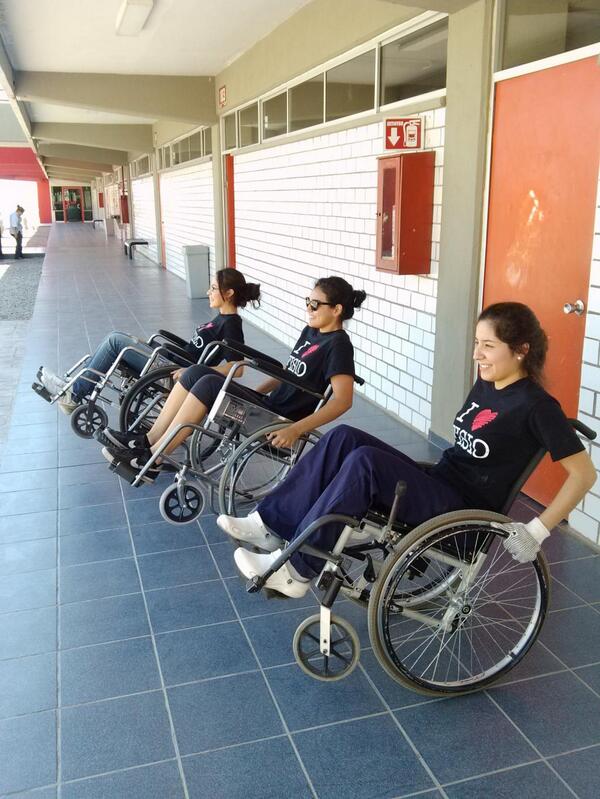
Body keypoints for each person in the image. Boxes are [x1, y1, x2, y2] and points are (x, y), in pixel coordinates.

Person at [217, 302, 597, 598]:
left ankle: (297, 571)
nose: (477, 354)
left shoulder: (537, 406)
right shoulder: (488, 383)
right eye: (477, 343)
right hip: (439, 481)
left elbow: (584, 474)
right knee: (344, 437)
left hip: (462, 510)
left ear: (521, 350)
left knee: (365, 463)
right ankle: (271, 525)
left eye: (489, 346)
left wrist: (538, 530)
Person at [102, 276, 367, 482]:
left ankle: (153, 461)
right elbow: (288, 372)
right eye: (307, 302)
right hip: (270, 404)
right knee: (196, 372)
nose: (308, 308)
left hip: (284, 417)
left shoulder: (339, 345)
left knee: (207, 383)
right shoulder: (312, 332)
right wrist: (256, 393)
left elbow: (342, 401)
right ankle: (148, 441)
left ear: (337, 309)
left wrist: (296, 429)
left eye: (315, 304)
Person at [38, 267, 260, 414]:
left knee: (115, 340)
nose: (208, 291)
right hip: (169, 360)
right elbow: (195, 349)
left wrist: (198, 371)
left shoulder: (231, 324)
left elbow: (237, 368)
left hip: (172, 371)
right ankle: (72, 386)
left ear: (228, 293)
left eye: (213, 288)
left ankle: (73, 394)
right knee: (119, 339)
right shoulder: (221, 318)